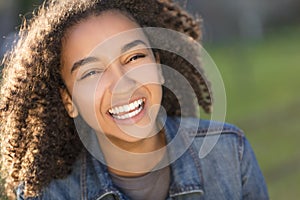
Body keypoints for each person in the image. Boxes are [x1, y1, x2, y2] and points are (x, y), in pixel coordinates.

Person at [0, 0, 269, 199]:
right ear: (68, 100)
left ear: (158, 65)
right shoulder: (48, 195)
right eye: (92, 72)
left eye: (134, 58)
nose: (123, 84)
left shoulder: (230, 153)